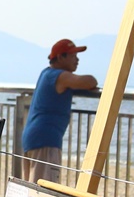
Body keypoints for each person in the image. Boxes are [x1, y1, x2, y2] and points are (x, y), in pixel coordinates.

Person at [20, 39, 99, 185]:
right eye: (73, 56)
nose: (77, 60)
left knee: (31, 187)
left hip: (33, 137)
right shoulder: (60, 76)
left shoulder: (47, 73)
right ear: (61, 57)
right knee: (42, 190)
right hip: (46, 140)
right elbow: (90, 81)